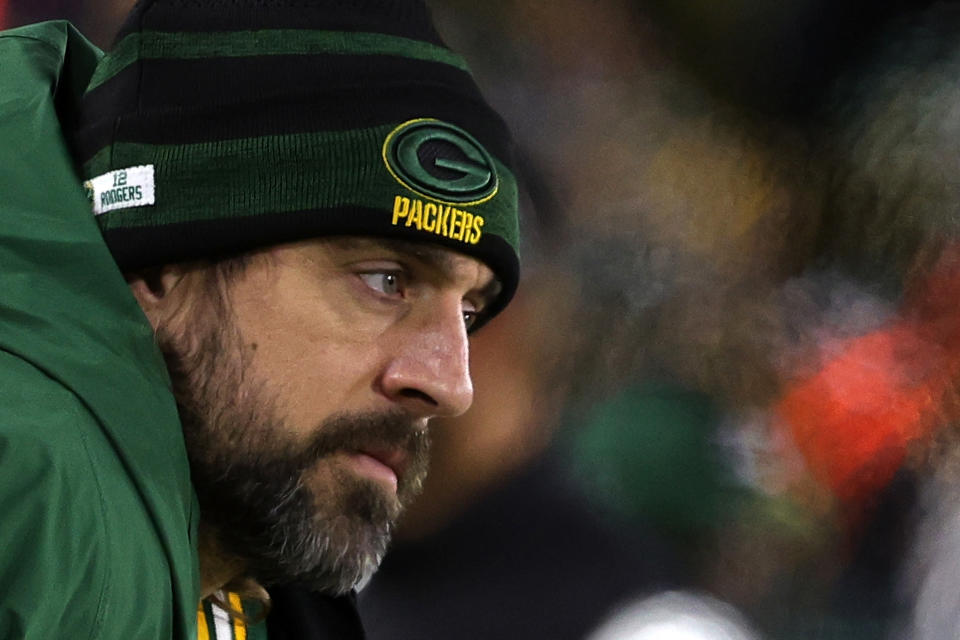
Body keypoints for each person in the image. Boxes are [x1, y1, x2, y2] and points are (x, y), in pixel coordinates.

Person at [0, 0, 520, 638]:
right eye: (386, 281)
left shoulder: (240, 565)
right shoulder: (34, 489)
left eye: (469, 312)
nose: (451, 387)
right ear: (165, 264)